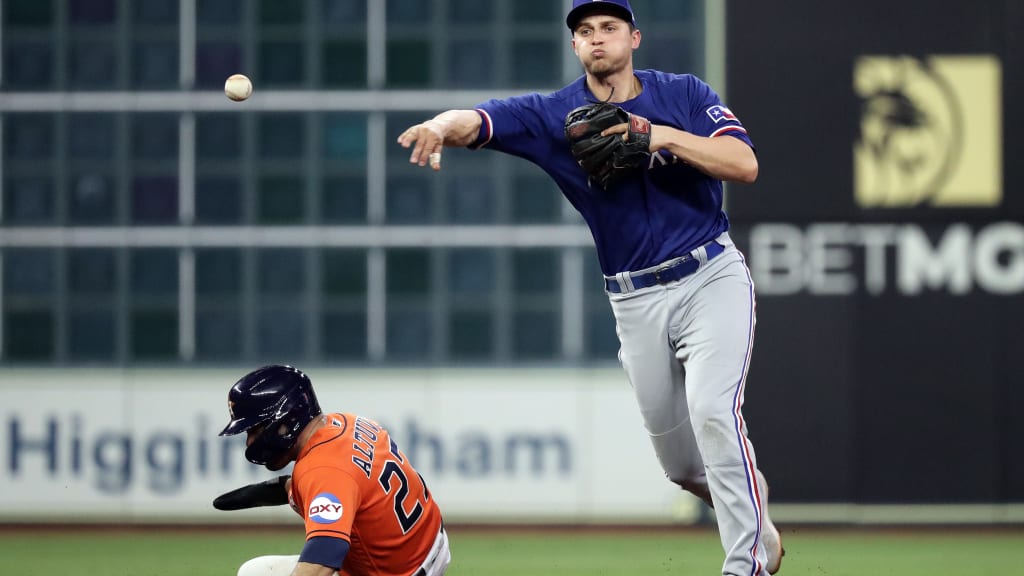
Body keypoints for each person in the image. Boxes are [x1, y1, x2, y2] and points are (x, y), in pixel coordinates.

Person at [396, 1, 783, 574]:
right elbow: (477, 119)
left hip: (709, 277)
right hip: (634, 299)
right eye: (584, 31)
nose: (597, 38)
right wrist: (437, 126)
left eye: (608, 28)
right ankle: (756, 517)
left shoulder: (684, 93)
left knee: (712, 411)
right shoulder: (554, 114)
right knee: (681, 467)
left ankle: (745, 561)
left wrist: (659, 136)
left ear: (634, 37)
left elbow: (744, 163)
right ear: (575, 47)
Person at [215, 364, 450, 576]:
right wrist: (272, 491)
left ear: (286, 420)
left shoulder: (322, 470)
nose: (250, 442)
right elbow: (341, 484)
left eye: (254, 430)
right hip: (427, 546)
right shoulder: (346, 423)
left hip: (399, 572)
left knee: (254, 573)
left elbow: (324, 555)